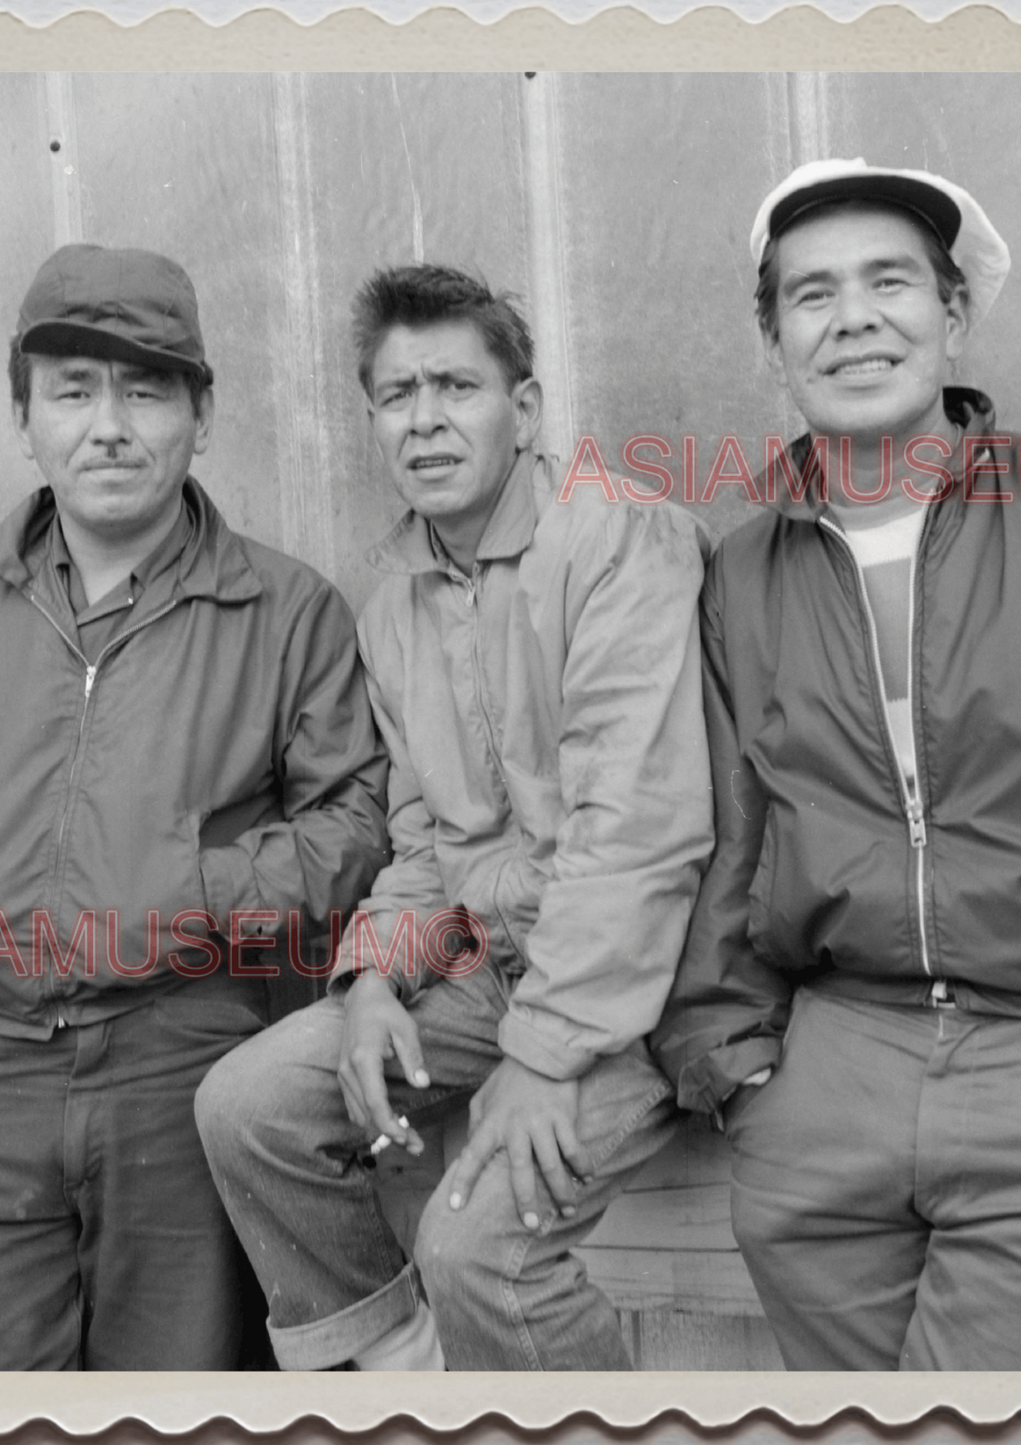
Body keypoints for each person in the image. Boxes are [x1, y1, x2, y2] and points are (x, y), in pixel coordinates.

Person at [652, 159, 1021, 1371]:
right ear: (772, 336)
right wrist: (737, 1069)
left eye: (888, 280)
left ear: (951, 315)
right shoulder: (743, 569)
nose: (851, 316)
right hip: (829, 1075)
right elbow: (727, 831)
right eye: (810, 293)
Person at [0, 244, 389, 1370]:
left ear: (200, 412)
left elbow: (353, 821)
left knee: (181, 1403)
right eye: (73, 389)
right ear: (25, 417)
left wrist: (185, 893)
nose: (108, 425)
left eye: (145, 388)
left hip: (184, 1057)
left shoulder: (286, 608)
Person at [195, 263, 713, 1371]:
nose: (423, 420)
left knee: (475, 1245)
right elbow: (423, 841)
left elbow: (637, 835)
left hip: (648, 985)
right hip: (490, 965)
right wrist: (377, 975)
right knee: (249, 1105)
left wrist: (543, 1055)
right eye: (395, 395)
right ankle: (403, 1377)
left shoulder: (618, 540)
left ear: (521, 411)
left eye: (455, 387)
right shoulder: (393, 600)